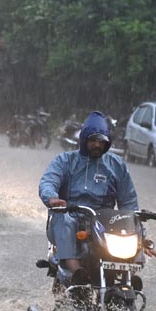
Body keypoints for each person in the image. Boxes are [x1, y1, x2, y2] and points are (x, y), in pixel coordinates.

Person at [38, 110, 138, 283]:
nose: (97, 145)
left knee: (132, 230)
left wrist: (141, 233)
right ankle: (76, 270)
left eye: (101, 141)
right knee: (64, 219)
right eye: (93, 140)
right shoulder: (65, 161)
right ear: (84, 140)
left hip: (104, 224)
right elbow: (48, 181)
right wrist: (52, 198)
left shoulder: (116, 165)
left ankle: (130, 274)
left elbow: (129, 201)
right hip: (70, 217)